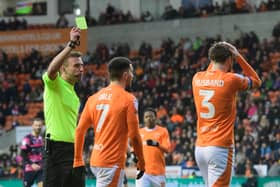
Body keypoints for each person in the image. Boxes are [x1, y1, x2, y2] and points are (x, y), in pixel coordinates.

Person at [192, 41, 262, 187]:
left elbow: (213, 71)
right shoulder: (231, 80)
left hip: (200, 148)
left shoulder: (197, 78)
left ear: (211, 59)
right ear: (230, 59)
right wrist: (238, 56)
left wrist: (220, 51)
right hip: (220, 148)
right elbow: (256, 81)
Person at [73, 57, 145, 186]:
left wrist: (78, 159)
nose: (133, 76)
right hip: (111, 162)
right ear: (125, 75)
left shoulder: (93, 99)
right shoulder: (129, 100)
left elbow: (79, 130)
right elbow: (134, 135)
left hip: (96, 160)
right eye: (131, 72)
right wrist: (141, 161)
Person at [42, 27, 84, 187]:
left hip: (74, 151)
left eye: (81, 66)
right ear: (63, 68)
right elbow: (51, 70)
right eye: (76, 66)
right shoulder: (55, 84)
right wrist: (71, 44)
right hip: (56, 150)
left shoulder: (74, 94)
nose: (81, 69)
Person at [136, 107, 171, 187]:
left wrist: (157, 144)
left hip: (158, 172)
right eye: (146, 117)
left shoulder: (163, 131)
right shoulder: (139, 132)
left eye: (151, 116)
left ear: (156, 118)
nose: (149, 119)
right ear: (144, 119)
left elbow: (168, 149)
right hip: (142, 172)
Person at [20, 118, 44, 187]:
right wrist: (32, 164)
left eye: (40, 125)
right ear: (32, 126)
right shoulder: (27, 138)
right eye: (36, 125)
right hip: (29, 169)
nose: (38, 127)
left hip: (40, 168)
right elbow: (23, 154)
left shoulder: (41, 139)